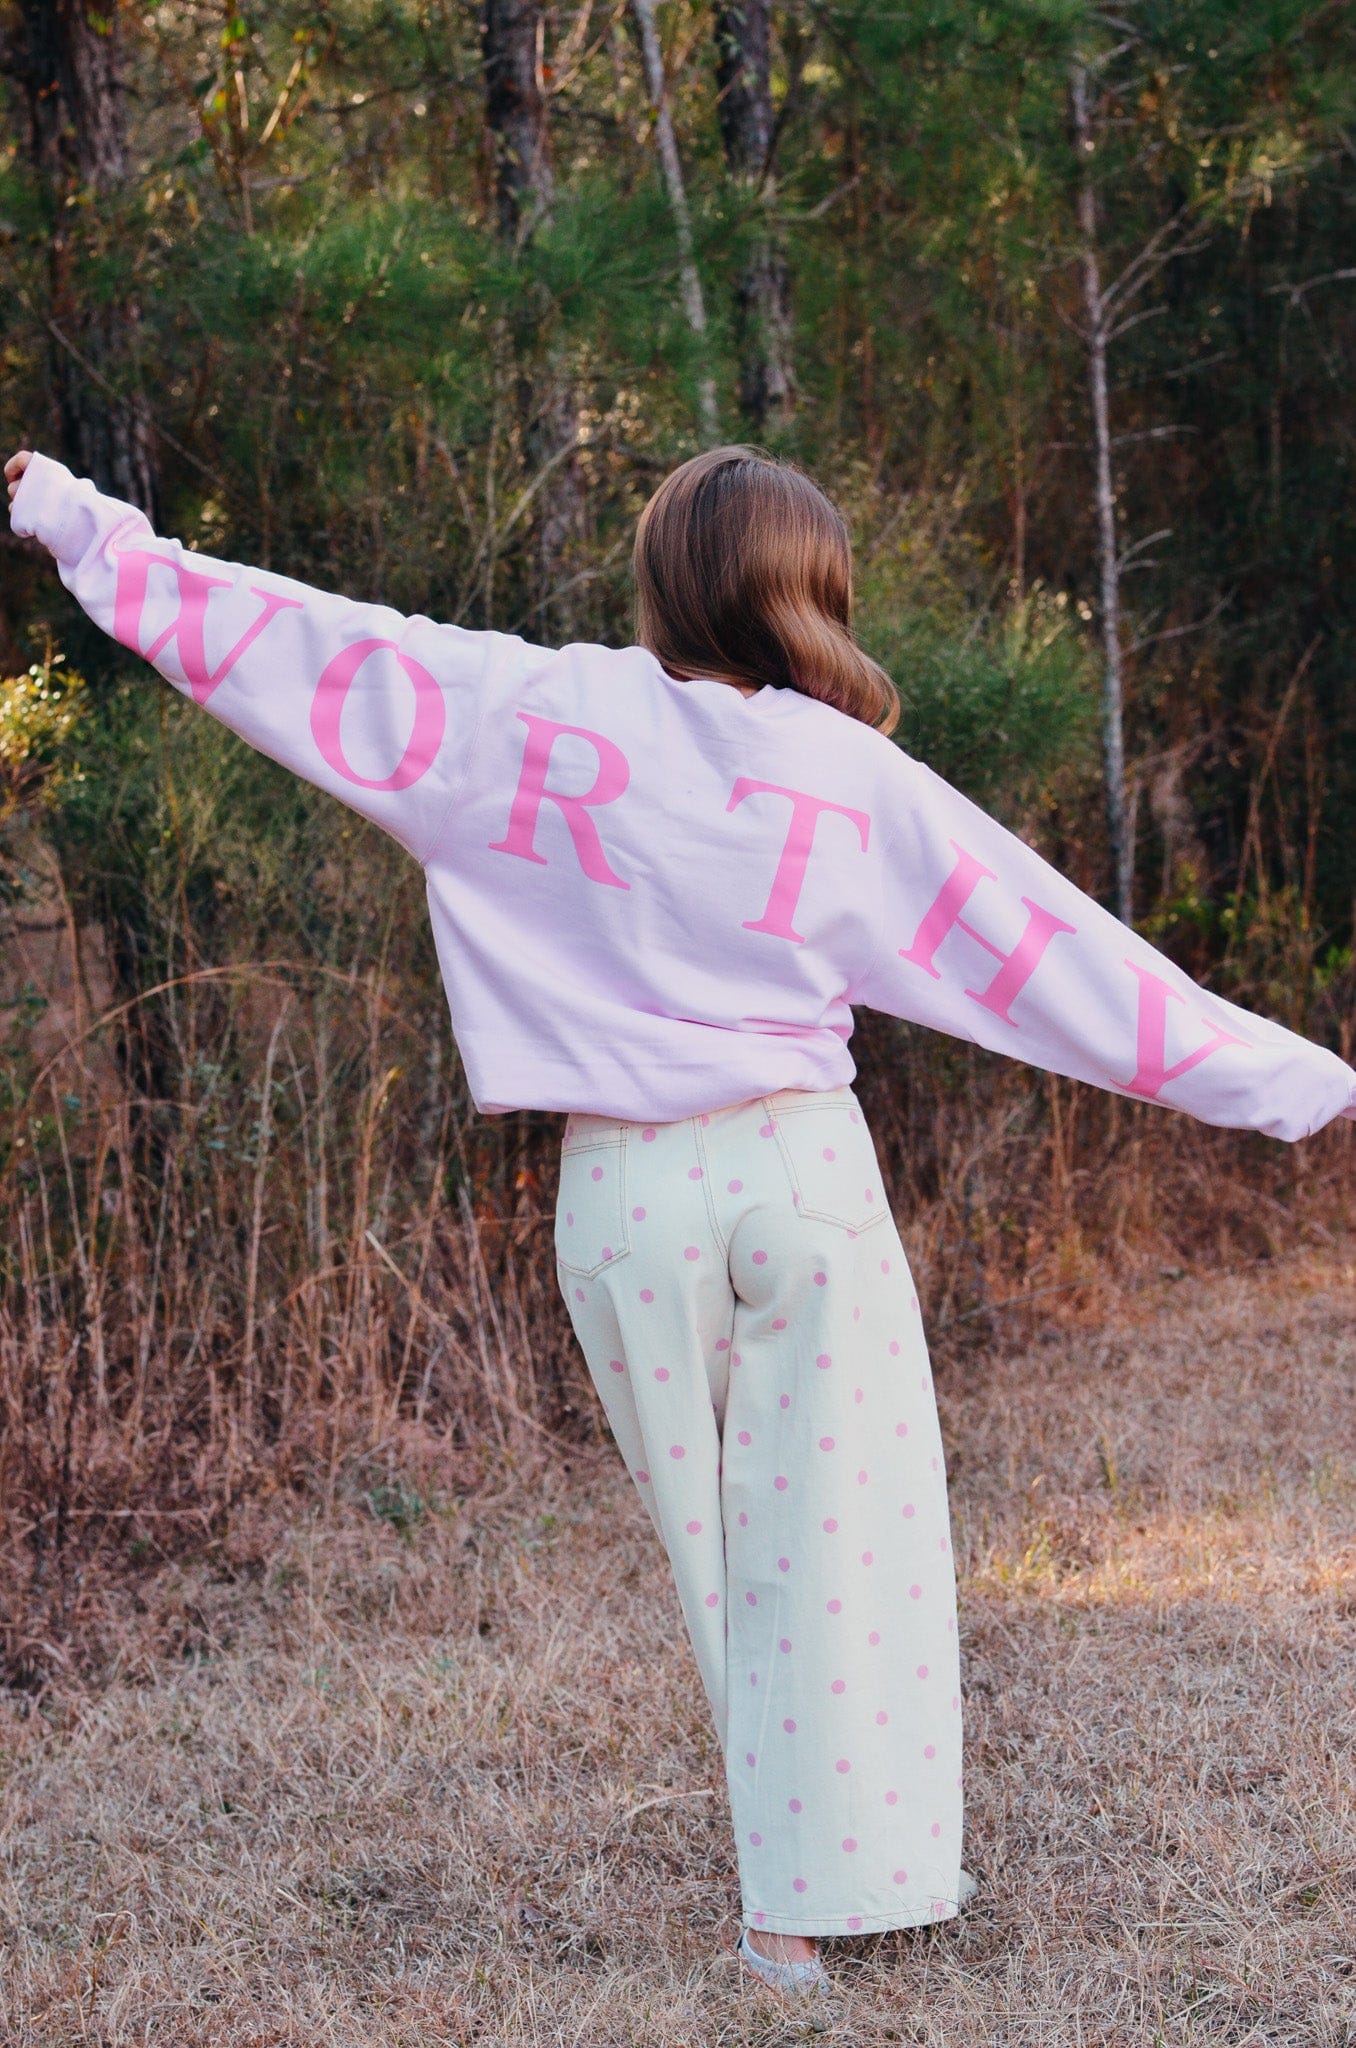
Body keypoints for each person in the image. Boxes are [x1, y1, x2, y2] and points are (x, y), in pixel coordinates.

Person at [7, 442, 1355, 2019]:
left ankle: (784, 1933)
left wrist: (79, 526)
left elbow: (294, 642)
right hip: (798, 1169)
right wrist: (1306, 1085)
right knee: (846, 1539)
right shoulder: (846, 775)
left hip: (624, 1196)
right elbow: (1052, 956)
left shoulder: (525, 712)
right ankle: (841, 1891)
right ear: (811, 590)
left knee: (724, 1560)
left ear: (662, 580)